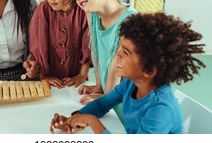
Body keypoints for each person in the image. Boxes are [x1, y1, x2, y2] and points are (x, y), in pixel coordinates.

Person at [50, 12, 205, 134]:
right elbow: (103, 103)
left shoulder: (161, 109)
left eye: (125, 53)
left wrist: (91, 121)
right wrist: (73, 119)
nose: (117, 55)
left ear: (149, 70)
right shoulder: (131, 84)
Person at [71, 0, 137, 104]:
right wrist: (99, 86)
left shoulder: (130, 20)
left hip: (126, 98)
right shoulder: (92, 15)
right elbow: (96, 50)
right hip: (109, 92)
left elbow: (117, 62)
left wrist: (107, 98)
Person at [28, 0, 91, 88]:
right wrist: (43, 75)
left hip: (76, 82)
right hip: (49, 82)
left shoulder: (83, 11)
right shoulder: (43, 9)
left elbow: (88, 46)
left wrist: (82, 75)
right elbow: (38, 45)